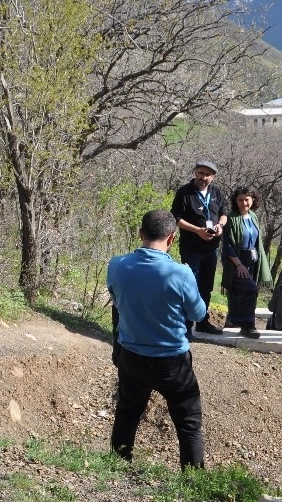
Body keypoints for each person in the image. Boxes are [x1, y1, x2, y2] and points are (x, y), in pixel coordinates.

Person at [108, 210, 206, 470]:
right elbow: (198, 313)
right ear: (172, 238)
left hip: (131, 356)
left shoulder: (117, 265)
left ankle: (118, 467)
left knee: (128, 413)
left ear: (141, 234)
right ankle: (192, 479)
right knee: (188, 422)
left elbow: (117, 302)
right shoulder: (181, 273)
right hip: (172, 361)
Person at [170, 160, 227, 337]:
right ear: (195, 173)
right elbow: (176, 218)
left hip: (211, 249)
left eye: (207, 174)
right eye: (200, 173)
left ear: (213, 177)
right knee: (189, 286)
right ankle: (186, 327)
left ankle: (202, 322)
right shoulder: (184, 193)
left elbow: (224, 213)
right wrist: (198, 231)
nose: (203, 177)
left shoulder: (216, 192)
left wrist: (220, 226)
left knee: (206, 286)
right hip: (191, 249)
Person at [221, 185, 272, 338]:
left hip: (253, 259)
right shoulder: (230, 217)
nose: (244, 203)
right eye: (240, 200)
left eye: (247, 200)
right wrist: (238, 264)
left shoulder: (253, 216)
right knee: (250, 290)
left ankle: (232, 320)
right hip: (237, 259)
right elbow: (227, 244)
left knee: (240, 292)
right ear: (235, 201)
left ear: (253, 200)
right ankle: (248, 326)